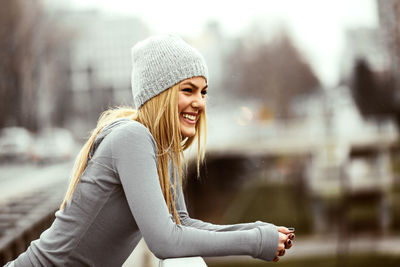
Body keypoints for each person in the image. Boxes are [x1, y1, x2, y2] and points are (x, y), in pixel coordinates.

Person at [5, 34, 295, 267]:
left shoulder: (161, 150)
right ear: (161, 94)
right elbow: (165, 242)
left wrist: (257, 230)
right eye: (188, 90)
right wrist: (255, 242)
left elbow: (182, 224)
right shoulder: (132, 138)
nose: (200, 102)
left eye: (203, 92)